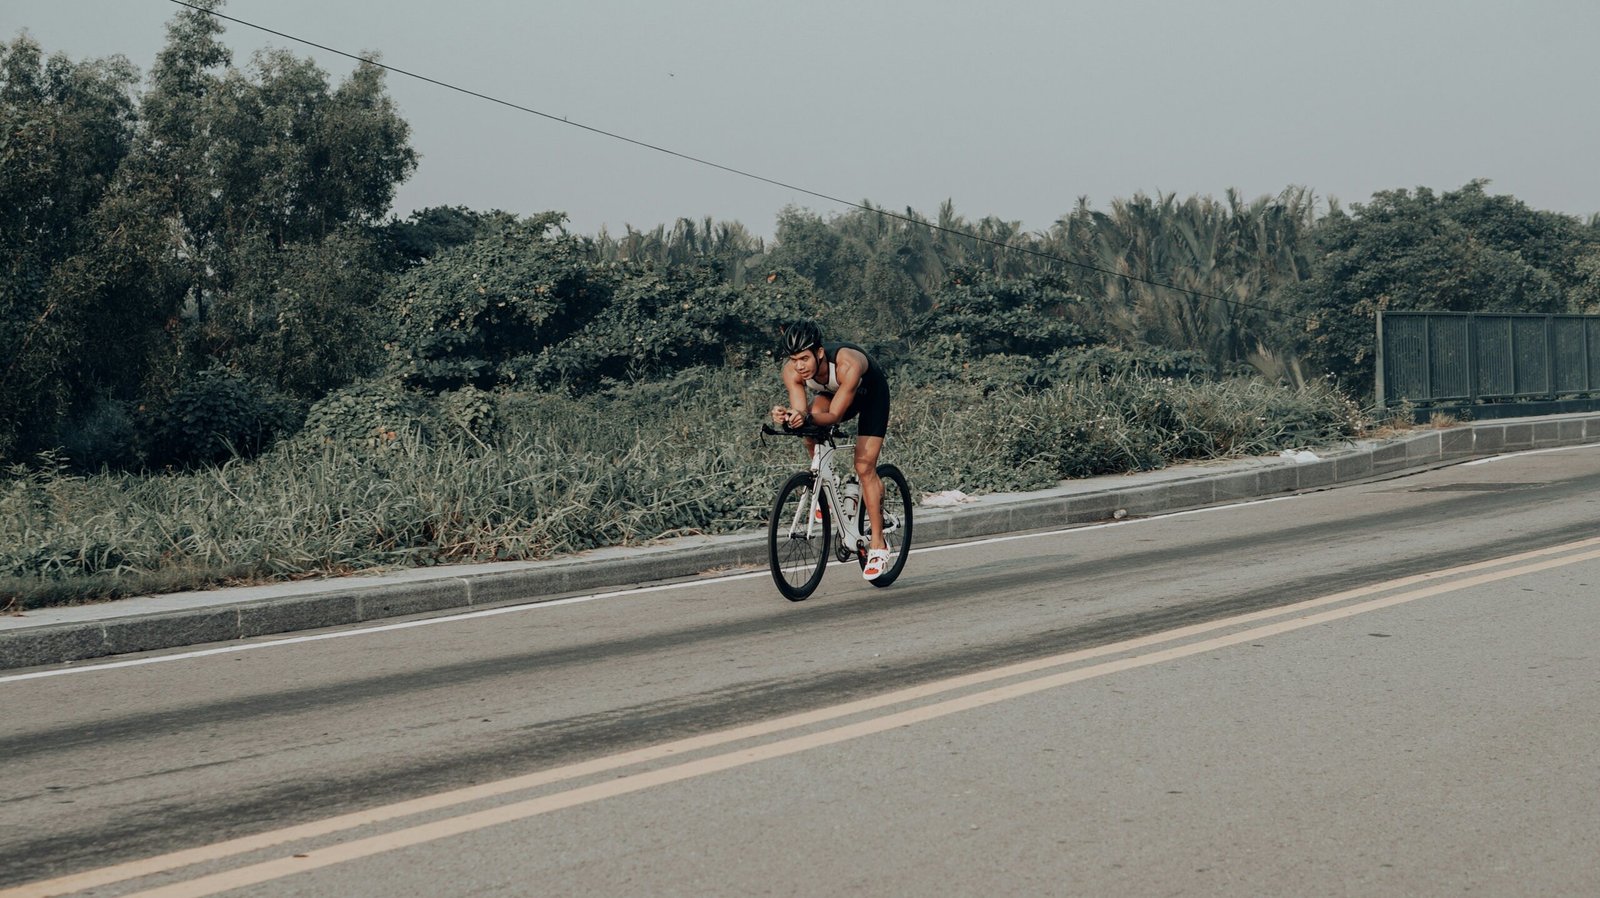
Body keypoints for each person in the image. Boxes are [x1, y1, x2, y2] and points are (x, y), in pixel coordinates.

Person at [768, 320, 894, 580]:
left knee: (864, 466)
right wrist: (789, 416)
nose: (799, 366)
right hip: (833, 393)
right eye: (794, 359)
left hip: (870, 396)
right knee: (808, 427)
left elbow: (835, 415)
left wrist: (805, 418)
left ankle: (879, 546)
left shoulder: (848, 363)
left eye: (804, 358)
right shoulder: (792, 372)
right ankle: (827, 483)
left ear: (820, 352)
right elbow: (803, 414)